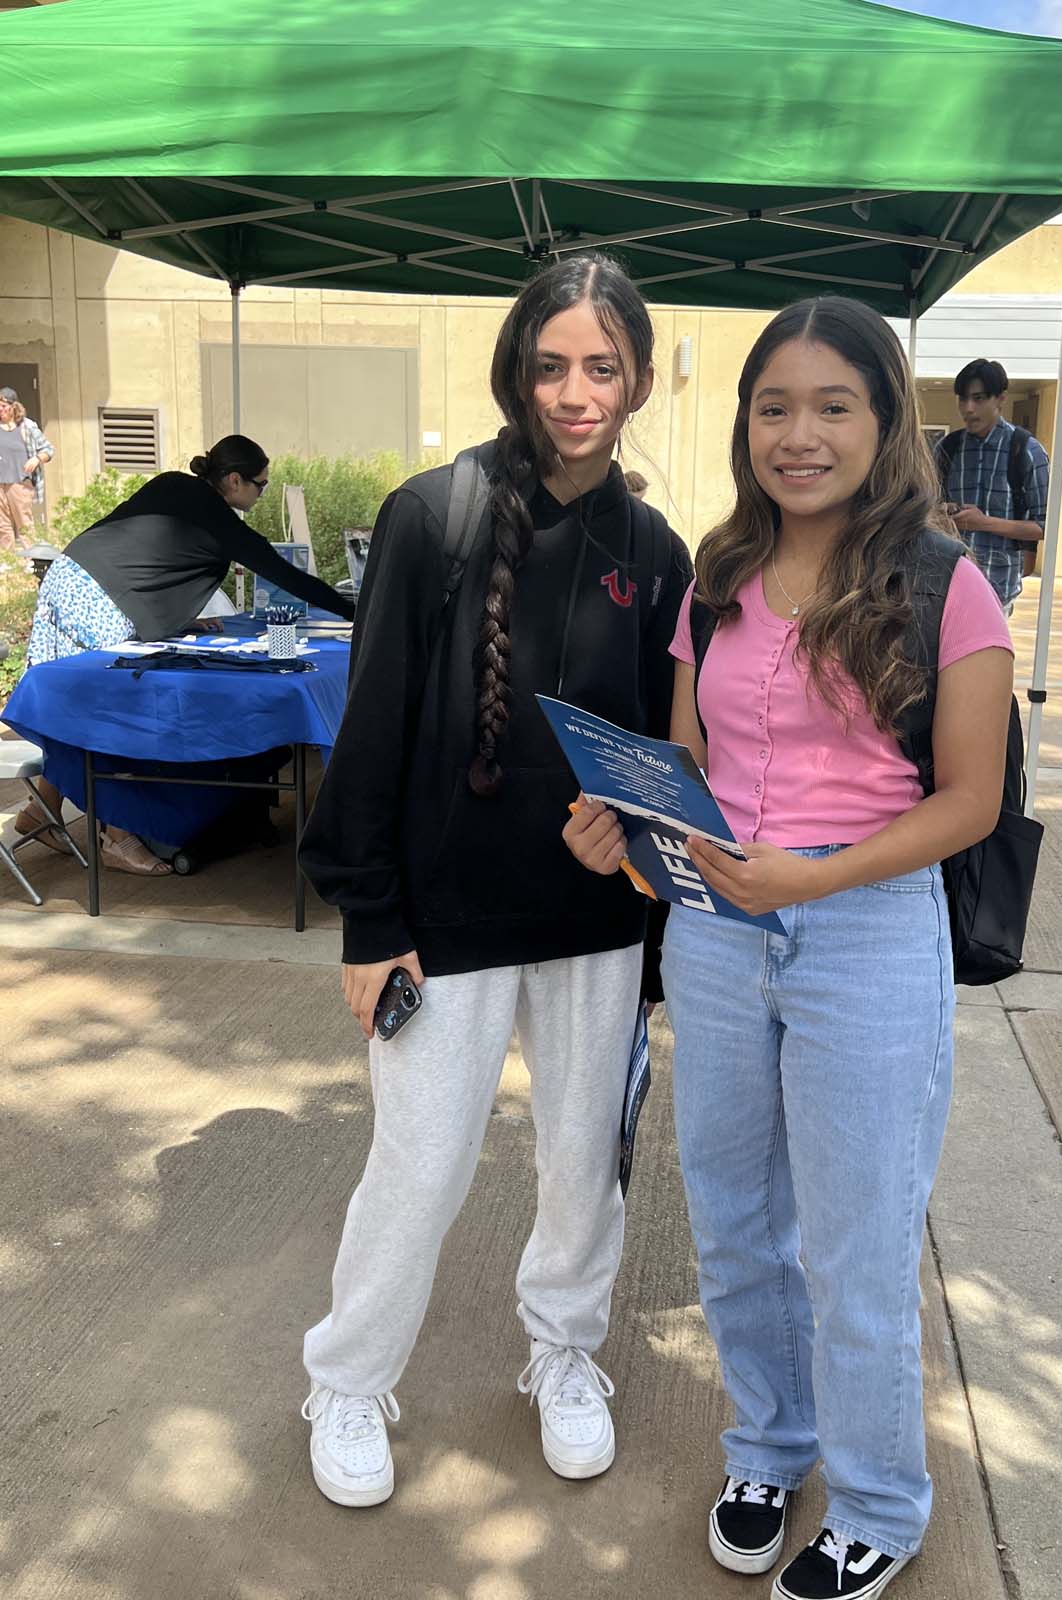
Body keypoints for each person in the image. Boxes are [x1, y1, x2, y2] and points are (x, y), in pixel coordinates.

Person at [565, 297, 1012, 1600]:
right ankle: (767, 1447)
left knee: (857, 1243)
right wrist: (625, 829)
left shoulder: (945, 584)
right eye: (774, 407)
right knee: (734, 1219)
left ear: (884, 422)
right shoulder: (716, 579)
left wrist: (811, 874)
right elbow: (688, 761)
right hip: (718, 929)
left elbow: (970, 800)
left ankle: (878, 1502)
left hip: (868, 929)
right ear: (745, 422)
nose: (798, 435)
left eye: (832, 407)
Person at [296, 253, 692, 1509]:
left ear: (638, 380)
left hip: (593, 921)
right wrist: (370, 919)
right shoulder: (435, 515)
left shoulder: (654, 549)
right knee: (419, 1167)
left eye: (603, 368)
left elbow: (669, 749)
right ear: (517, 371)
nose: (576, 393)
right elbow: (370, 727)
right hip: (443, 918)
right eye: (552, 365)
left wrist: (635, 845)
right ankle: (348, 1377)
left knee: (584, 1168)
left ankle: (563, 1352)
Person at [18, 435, 354, 876]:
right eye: (260, 484)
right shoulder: (220, 521)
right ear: (233, 480)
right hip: (98, 601)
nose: (263, 492)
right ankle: (117, 836)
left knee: (78, 709)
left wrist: (175, 620)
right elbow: (287, 577)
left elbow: (144, 556)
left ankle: (41, 811)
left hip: (69, 577)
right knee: (111, 713)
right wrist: (359, 611)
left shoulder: (173, 484)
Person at [934, 358, 1049, 613]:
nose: (968, 408)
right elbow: (925, 510)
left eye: (979, 398)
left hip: (998, 590)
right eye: (963, 399)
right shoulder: (947, 449)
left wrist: (983, 522)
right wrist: (941, 512)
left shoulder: (1026, 451)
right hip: (947, 586)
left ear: (1001, 399)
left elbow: (1045, 527)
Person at [0, 386, 54, 551]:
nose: (0, 409)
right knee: (3, 526)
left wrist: (36, 459)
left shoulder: (27, 427)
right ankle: (8, 560)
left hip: (20, 484)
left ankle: (31, 559)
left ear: (13, 407)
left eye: (3, 406)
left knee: (24, 525)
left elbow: (48, 449)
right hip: (0, 484)